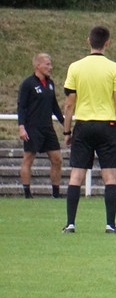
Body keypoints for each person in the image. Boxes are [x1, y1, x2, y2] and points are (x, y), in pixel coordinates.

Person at [61, 26, 116, 234]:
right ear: (107, 43)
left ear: (88, 41)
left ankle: (70, 223)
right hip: (106, 125)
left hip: (83, 125)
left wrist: (67, 131)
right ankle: (110, 224)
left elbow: (69, 104)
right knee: (110, 177)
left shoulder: (75, 67)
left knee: (76, 175)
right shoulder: (114, 68)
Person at [17, 53, 65, 199]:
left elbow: (54, 106)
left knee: (57, 159)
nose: (50, 67)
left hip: (47, 127)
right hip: (32, 127)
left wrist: (65, 124)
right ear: (38, 66)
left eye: (50, 64)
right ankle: (27, 193)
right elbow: (22, 106)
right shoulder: (28, 84)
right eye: (47, 64)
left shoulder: (50, 84)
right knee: (28, 158)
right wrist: (21, 126)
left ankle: (56, 194)